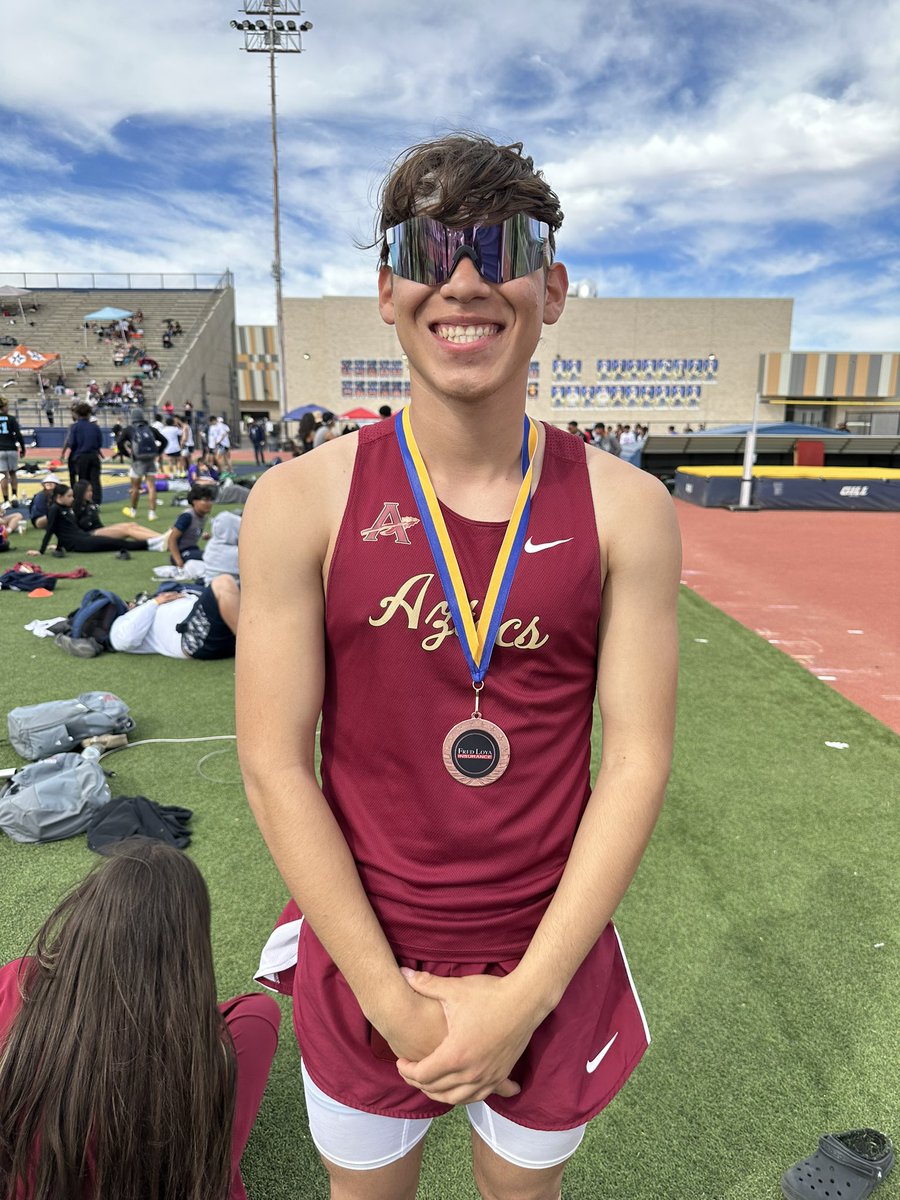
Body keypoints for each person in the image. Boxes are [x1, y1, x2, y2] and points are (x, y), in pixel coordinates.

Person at [237, 132, 681, 1200]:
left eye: (500, 244)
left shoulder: (630, 509)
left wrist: (524, 997)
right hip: (362, 962)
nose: (466, 279)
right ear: (388, 288)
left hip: (549, 961)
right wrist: (395, 1002)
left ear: (554, 286)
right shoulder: (299, 502)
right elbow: (273, 765)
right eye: (430, 249)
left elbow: (635, 764)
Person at [0, 840, 280, 1200]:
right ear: (191, 946)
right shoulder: (242, 1031)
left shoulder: (17, 982)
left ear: (86, 916)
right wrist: (172, 1003)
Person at [109, 576, 240, 660]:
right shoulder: (119, 624)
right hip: (191, 639)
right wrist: (155, 602)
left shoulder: (144, 608)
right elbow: (127, 640)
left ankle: (253, 641)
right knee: (223, 583)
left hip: (217, 624)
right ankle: (253, 649)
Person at [35, 484, 166, 557]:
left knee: (118, 542)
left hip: (83, 538)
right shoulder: (54, 509)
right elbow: (51, 530)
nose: (72, 499)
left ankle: (157, 542)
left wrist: (59, 546)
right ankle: (155, 543)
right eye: (69, 496)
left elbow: (65, 531)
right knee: (119, 543)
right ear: (59, 497)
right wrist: (41, 551)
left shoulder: (66, 508)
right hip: (79, 543)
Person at [121, 407, 166, 521]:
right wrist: (158, 452)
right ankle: (152, 513)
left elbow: (119, 442)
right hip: (151, 460)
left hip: (138, 461)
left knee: (135, 487)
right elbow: (164, 441)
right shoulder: (151, 429)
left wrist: (126, 454)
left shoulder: (129, 429)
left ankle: (133, 511)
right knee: (151, 487)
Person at [61, 401, 104, 500]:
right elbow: (99, 443)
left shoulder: (75, 427)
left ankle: (82, 501)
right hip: (93, 455)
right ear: (89, 414)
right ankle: (96, 501)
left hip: (81, 456)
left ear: (78, 414)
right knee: (95, 480)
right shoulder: (95, 427)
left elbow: (72, 443)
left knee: (83, 480)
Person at [165, 484, 214, 568]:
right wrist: (178, 561)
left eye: (210, 500)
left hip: (193, 549)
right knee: (211, 558)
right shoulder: (187, 517)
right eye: (205, 500)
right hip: (182, 553)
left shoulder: (203, 516)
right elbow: (172, 539)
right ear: (194, 501)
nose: (209, 503)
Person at [0, 397, 26, 510]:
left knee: (3, 476)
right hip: (11, 448)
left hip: (0, 450)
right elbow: (18, 434)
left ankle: (6, 500)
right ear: (3, 407)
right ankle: (14, 495)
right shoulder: (11, 419)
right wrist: (23, 448)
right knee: (13, 473)